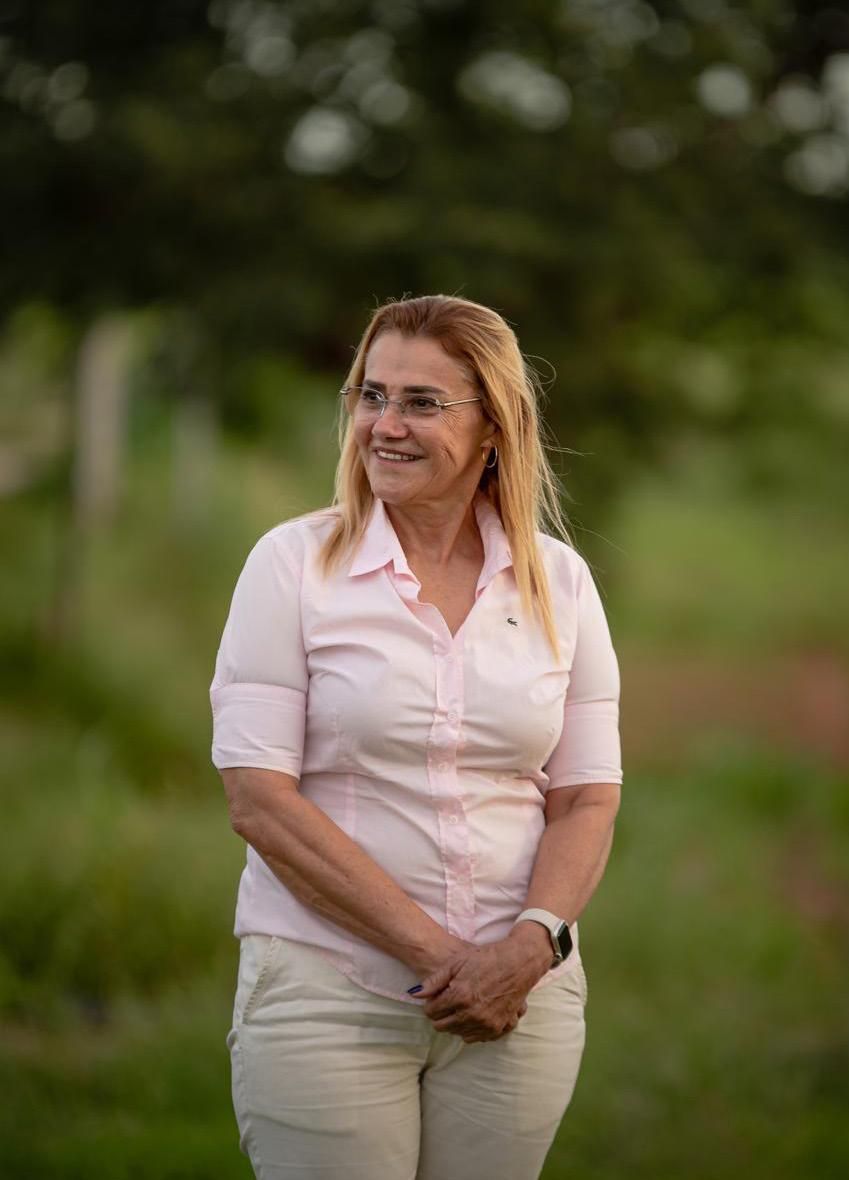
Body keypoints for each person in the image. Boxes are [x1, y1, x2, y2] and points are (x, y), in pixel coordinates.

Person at [209, 294, 623, 1180]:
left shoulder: (560, 582)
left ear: (493, 428)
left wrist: (528, 948)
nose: (384, 425)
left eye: (421, 403)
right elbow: (258, 801)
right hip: (329, 989)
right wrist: (448, 963)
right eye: (371, 395)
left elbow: (586, 798)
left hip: (522, 1001)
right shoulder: (291, 565)